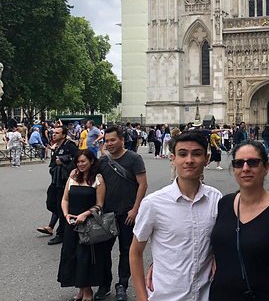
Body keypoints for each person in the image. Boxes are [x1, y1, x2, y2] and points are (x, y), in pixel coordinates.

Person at [130, 132, 222, 301]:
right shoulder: (153, 203)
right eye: (182, 154)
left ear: (207, 159)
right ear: (172, 159)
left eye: (196, 154)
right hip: (165, 296)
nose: (189, 160)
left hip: (205, 295)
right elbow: (135, 252)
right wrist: (142, 298)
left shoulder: (216, 199)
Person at [210, 140, 269, 300]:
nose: (245, 168)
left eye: (253, 162)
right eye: (238, 163)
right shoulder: (224, 203)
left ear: (266, 167)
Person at [95, 126, 148, 301]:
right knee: (103, 250)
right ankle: (104, 284)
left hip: (128, 213)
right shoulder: (103, 161)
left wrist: (135, 209)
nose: (109, 144)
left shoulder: (134, 158)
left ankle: (122, 285)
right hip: (107, 213)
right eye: (106, 141)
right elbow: (93, 181)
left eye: (112, 140)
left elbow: (142, 184)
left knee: (126, 251)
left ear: (122, 140)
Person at [58, 149, 109, 301]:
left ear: (91, 161)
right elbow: (65, 199)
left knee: (84, 257)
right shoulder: (73, 176)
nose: (80, 164)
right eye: (78, 161)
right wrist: (66, 214)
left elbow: (100, 204)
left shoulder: (98, 179)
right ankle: (80, 290)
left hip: (88, 224)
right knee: (71, 255)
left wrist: (85, 214)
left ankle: (88, 292)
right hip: (71, 222)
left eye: (83, 161)